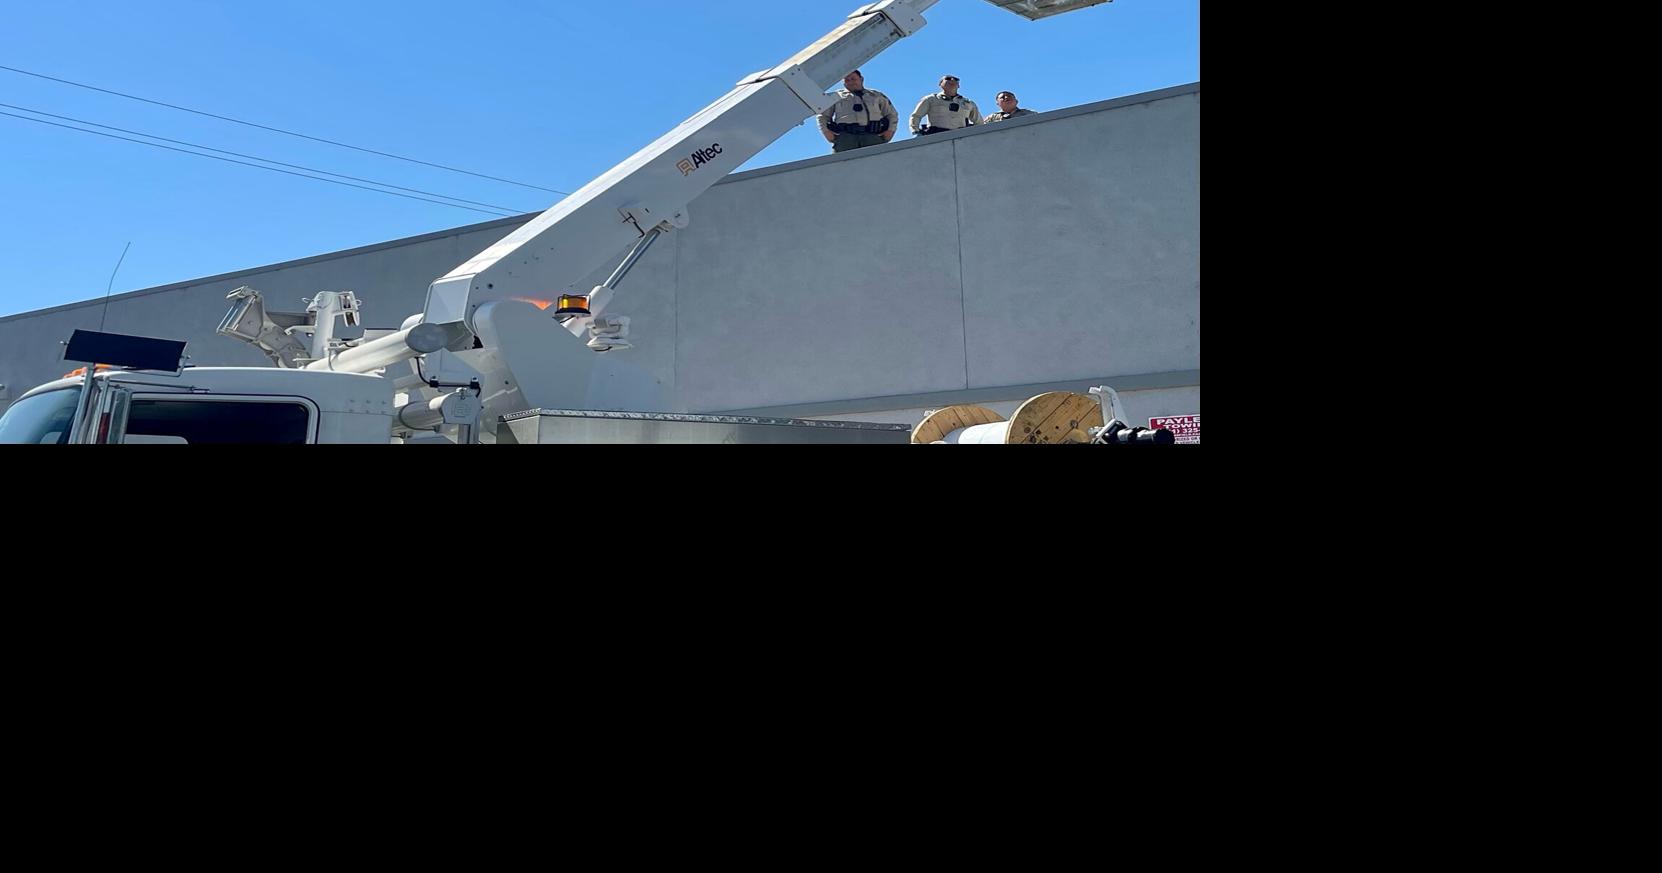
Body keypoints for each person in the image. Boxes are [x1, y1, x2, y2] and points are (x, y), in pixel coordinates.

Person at [818, 70, 899, 153]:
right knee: (842, 164)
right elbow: (822, 116)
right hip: (845, 138)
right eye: (847, 80)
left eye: (853, 79)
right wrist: (826, 132)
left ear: (861, 79)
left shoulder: (876, 96)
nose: (851, 82)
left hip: (872, 137)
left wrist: (890, 131)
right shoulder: (835, 97)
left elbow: (891, 114)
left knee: (878, 162)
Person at [910, 75, 982, 136]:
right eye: (948, 78)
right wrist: (916, 132)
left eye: (956, 79)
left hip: (962, 137)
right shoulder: (931, 99)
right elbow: (916, 116)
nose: (952, 80)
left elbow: (979, 123)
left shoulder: (969, 103)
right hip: (936, 137)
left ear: (959, 85)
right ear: (940, 84)